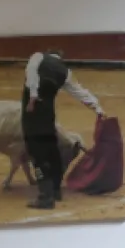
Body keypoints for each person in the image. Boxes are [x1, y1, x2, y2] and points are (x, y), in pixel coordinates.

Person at [23, 50, 105, 210]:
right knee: (51, 148)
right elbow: (79, 92)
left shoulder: (38, 57)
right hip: (48, 113)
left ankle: (45, 197)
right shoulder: (65, 71)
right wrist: (98, 109)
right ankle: (55, 190)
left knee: (37, 153)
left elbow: (31, 72)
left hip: (33, 112)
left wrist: (32, 96)